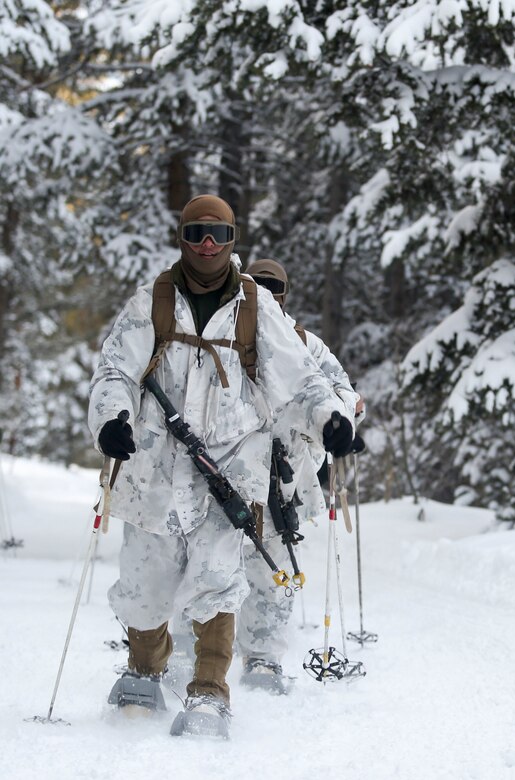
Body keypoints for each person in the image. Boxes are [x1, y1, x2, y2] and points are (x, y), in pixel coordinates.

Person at [88, 194, 360, 738]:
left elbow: (300, 379)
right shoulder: (152, 302)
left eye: (217, 234)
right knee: (144, 587)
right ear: (182, 238)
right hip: (155, 468)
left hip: (230, 468)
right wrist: (112, 418)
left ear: (232, 239)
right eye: (196, 233)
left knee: (218, 579)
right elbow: (115, 369)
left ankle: (209, 693)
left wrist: (329, 419)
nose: (207, 244)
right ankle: (144, 669)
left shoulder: (255, 307)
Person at [169, 258, 364, 694]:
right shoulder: (221, 331)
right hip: (221, 467)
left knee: (271, 565)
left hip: (281, 473)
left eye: (275, 289)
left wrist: (341, 421)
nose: (268, 295)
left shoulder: (305, 344)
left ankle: (262, 657)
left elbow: (340, 392)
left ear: (285, 295)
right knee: (201, 557)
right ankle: (185, 647)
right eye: (260, 286)